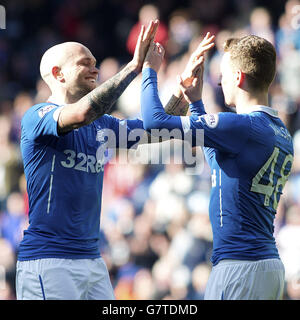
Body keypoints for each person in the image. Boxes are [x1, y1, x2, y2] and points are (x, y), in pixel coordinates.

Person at [16, 19, 205, 300]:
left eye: (95, 61)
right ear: (58, 74)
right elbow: (81, 113)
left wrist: (182, 90)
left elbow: (155, 132)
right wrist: (133, 68)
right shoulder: (37, 116)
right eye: (85, 63)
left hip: (92, 261)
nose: (95, 67)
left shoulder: (103, 125)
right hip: (50, 261)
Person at [140, 34, 294, 299]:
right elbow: (221, 164)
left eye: (223, 74)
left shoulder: (240, 126)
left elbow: (154, 124)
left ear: (237, 77)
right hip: (267, 265)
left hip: (239, 266)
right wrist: (196, 103)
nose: (219, 81)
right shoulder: (279, 132)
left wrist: (149, 70)